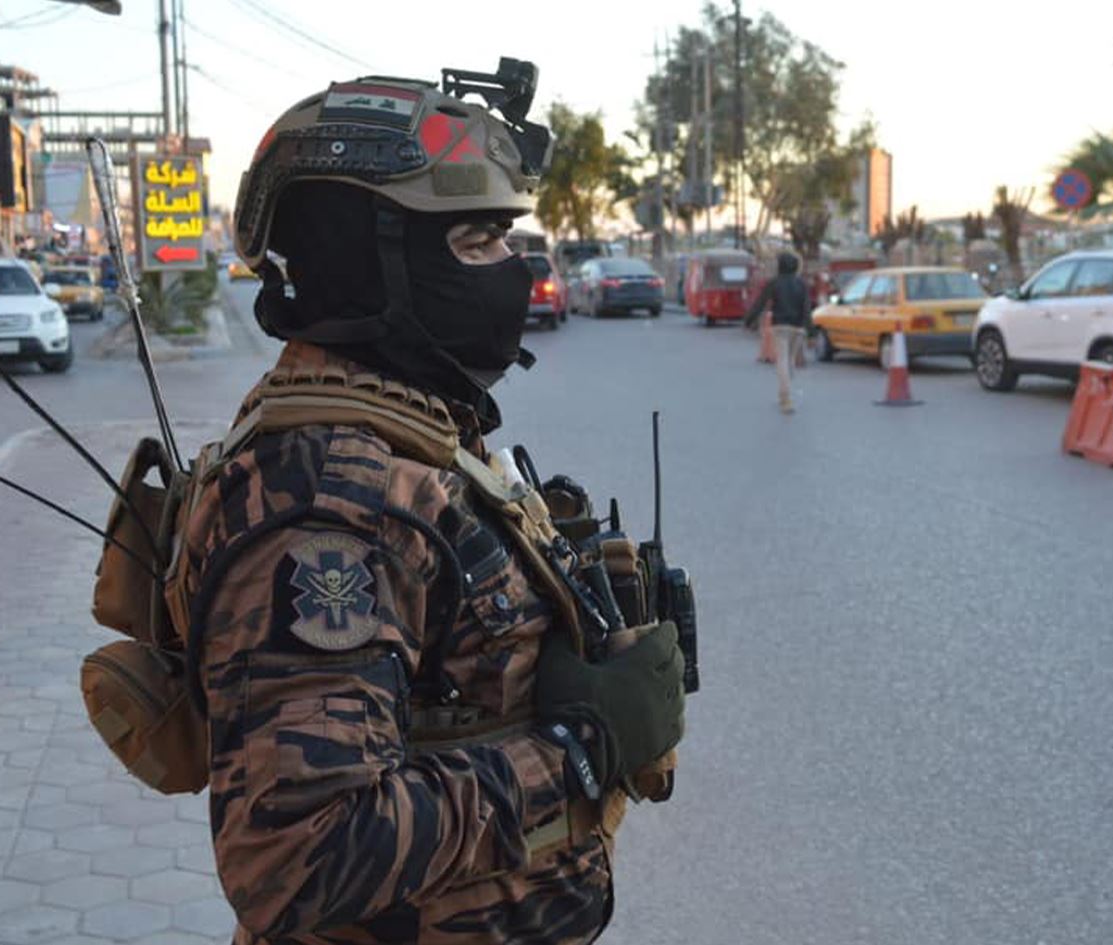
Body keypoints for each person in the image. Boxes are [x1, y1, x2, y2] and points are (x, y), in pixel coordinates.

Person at [181, 69, 686, 944]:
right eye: (478, 241)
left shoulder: (408, 433)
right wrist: (574, 749)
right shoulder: (328, 504)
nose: (513, 271)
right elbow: (295, 857)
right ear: (366, 258)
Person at [744, 251, 811, 413]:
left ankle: (786, 398)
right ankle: (784, 392)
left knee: (782, 361)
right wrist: (811, 331)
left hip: (780, 326)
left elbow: (760, 303)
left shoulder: (774, 283)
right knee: (789, 361)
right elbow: (806, 308)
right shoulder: (801, 284)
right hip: (797, 328)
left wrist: (749, 320)